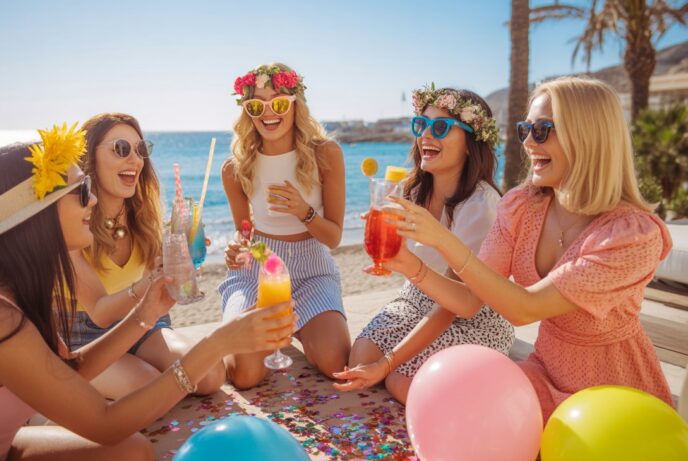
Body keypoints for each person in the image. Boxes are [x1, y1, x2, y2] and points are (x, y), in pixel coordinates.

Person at [0, 125, 295, 460]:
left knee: (135, 450)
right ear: (39, 213)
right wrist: (216, 343)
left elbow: (71, 370)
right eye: (80, 191)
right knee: (128, 444)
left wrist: (144, 313)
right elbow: (106, 423)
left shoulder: (14, 291)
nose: (93, 200)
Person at [383, 77, 673, 421]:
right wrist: (406, 264)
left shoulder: (630, 235)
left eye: (543, 130)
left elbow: (525, 309)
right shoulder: (522, 206)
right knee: (453, 410)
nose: (528, 144)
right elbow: (468, 301)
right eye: (526, 130)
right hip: (544, 372)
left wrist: (442, 239)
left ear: (588, 137)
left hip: (613, 392)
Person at [333, 85, 514, 403]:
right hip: (416, 296)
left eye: (441, 127)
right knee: (359, 360)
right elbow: (401, 257)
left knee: (403, 381)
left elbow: (455, 306)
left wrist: (388, 363)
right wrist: (385, 243)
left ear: (471, 144)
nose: (426, 135)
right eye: (422, 125)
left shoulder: (481, 205)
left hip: (470, 315)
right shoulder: (410, 189)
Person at [66, 113, 224, 400]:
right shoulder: (70, 223)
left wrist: (174, 262)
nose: (136, 161)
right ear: (89, 157)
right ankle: (67, 381)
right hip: (83, 334)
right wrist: (148, 283)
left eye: (140, 151)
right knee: (151, 388)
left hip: (141, 322)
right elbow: (100, 312)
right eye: (121, 149)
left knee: (210, 374)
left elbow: (158, 278)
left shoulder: (143, 217)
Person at [221, 63, 350, 388]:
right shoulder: (235, 168)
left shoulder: (326, 154)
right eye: (256, 106)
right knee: (245, 376)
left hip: (311, 270)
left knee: (335, 362)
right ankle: (275, 330)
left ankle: (292, 328)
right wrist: (238, 248)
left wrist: (303, 212)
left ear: (295, 103)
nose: (268, 113)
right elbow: (246, 233)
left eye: (277, 102)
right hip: (259, 269)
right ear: (246, 111)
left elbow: (333, 238)